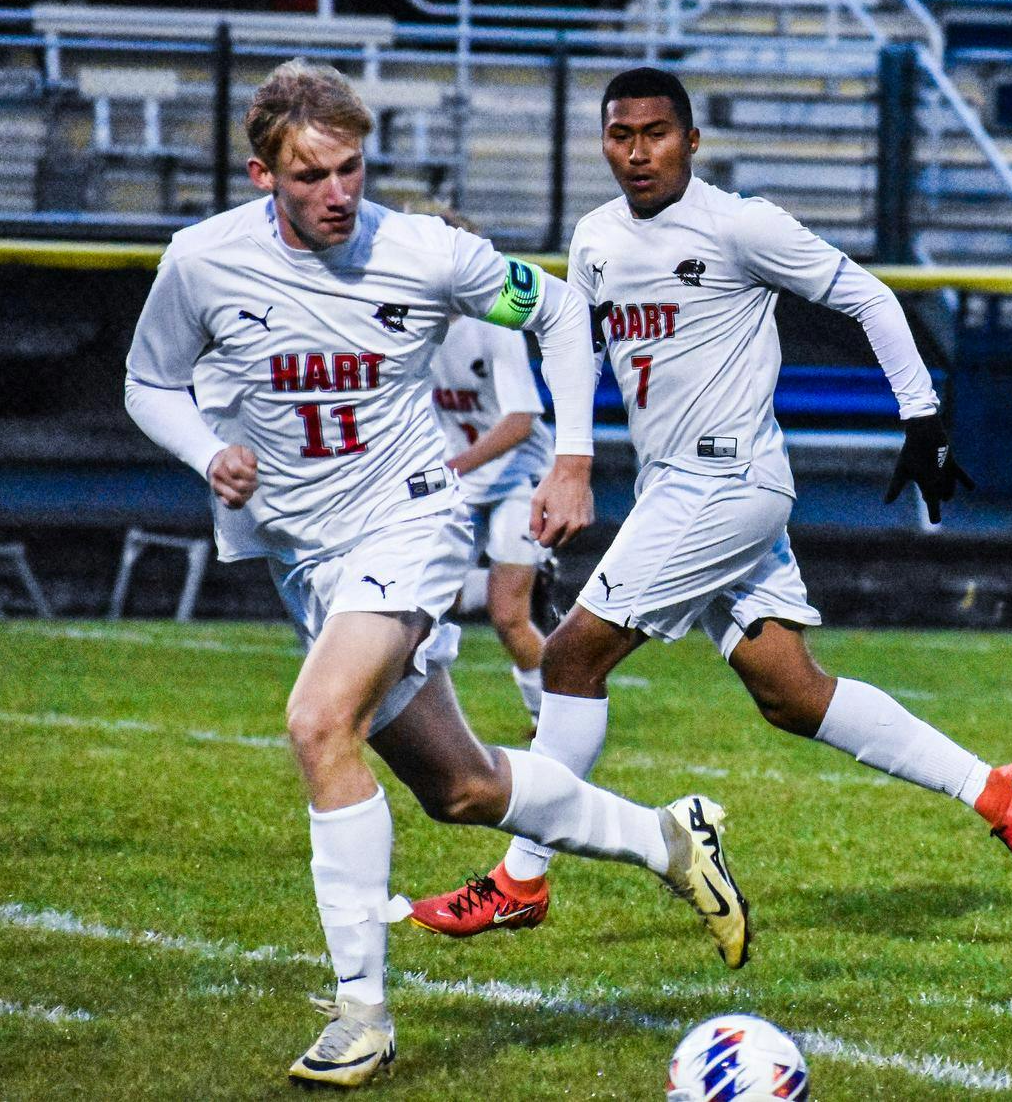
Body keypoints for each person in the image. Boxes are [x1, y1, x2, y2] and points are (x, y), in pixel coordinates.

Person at [123, 60, 754, 1088]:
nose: (338, 193)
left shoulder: (423, 249)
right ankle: (668, 839)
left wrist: (573, 454)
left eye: (352, 169)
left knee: (317, 724)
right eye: (311, 175)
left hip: (408, 521)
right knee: (460, 787)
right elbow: (148, 382)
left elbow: (554, 313)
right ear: (260, 174)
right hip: (304, 558)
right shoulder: (200, 262)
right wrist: (206, 452)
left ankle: (360, 1011)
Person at [409, 67, 1012, 937]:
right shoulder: (596, 237)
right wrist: (571, 460)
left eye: (656, 133)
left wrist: (923, 419)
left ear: (691, 140)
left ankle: (521, 877)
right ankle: (999, 790)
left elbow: (866, 293)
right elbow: (575, 345)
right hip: (678, 487)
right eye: (620, 135)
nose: (637, 152)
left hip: (724, 484)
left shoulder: (738, 223)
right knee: (791, 693)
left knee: (569, 660)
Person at [426, 308, 557, 734]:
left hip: (520, 478)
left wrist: (454, 466)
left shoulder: (493, 330)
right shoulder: (406, 323)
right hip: (463, 482)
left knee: (508, 615)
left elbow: (521, 421)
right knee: (424, 602)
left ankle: (550, 720)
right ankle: (410, 715)